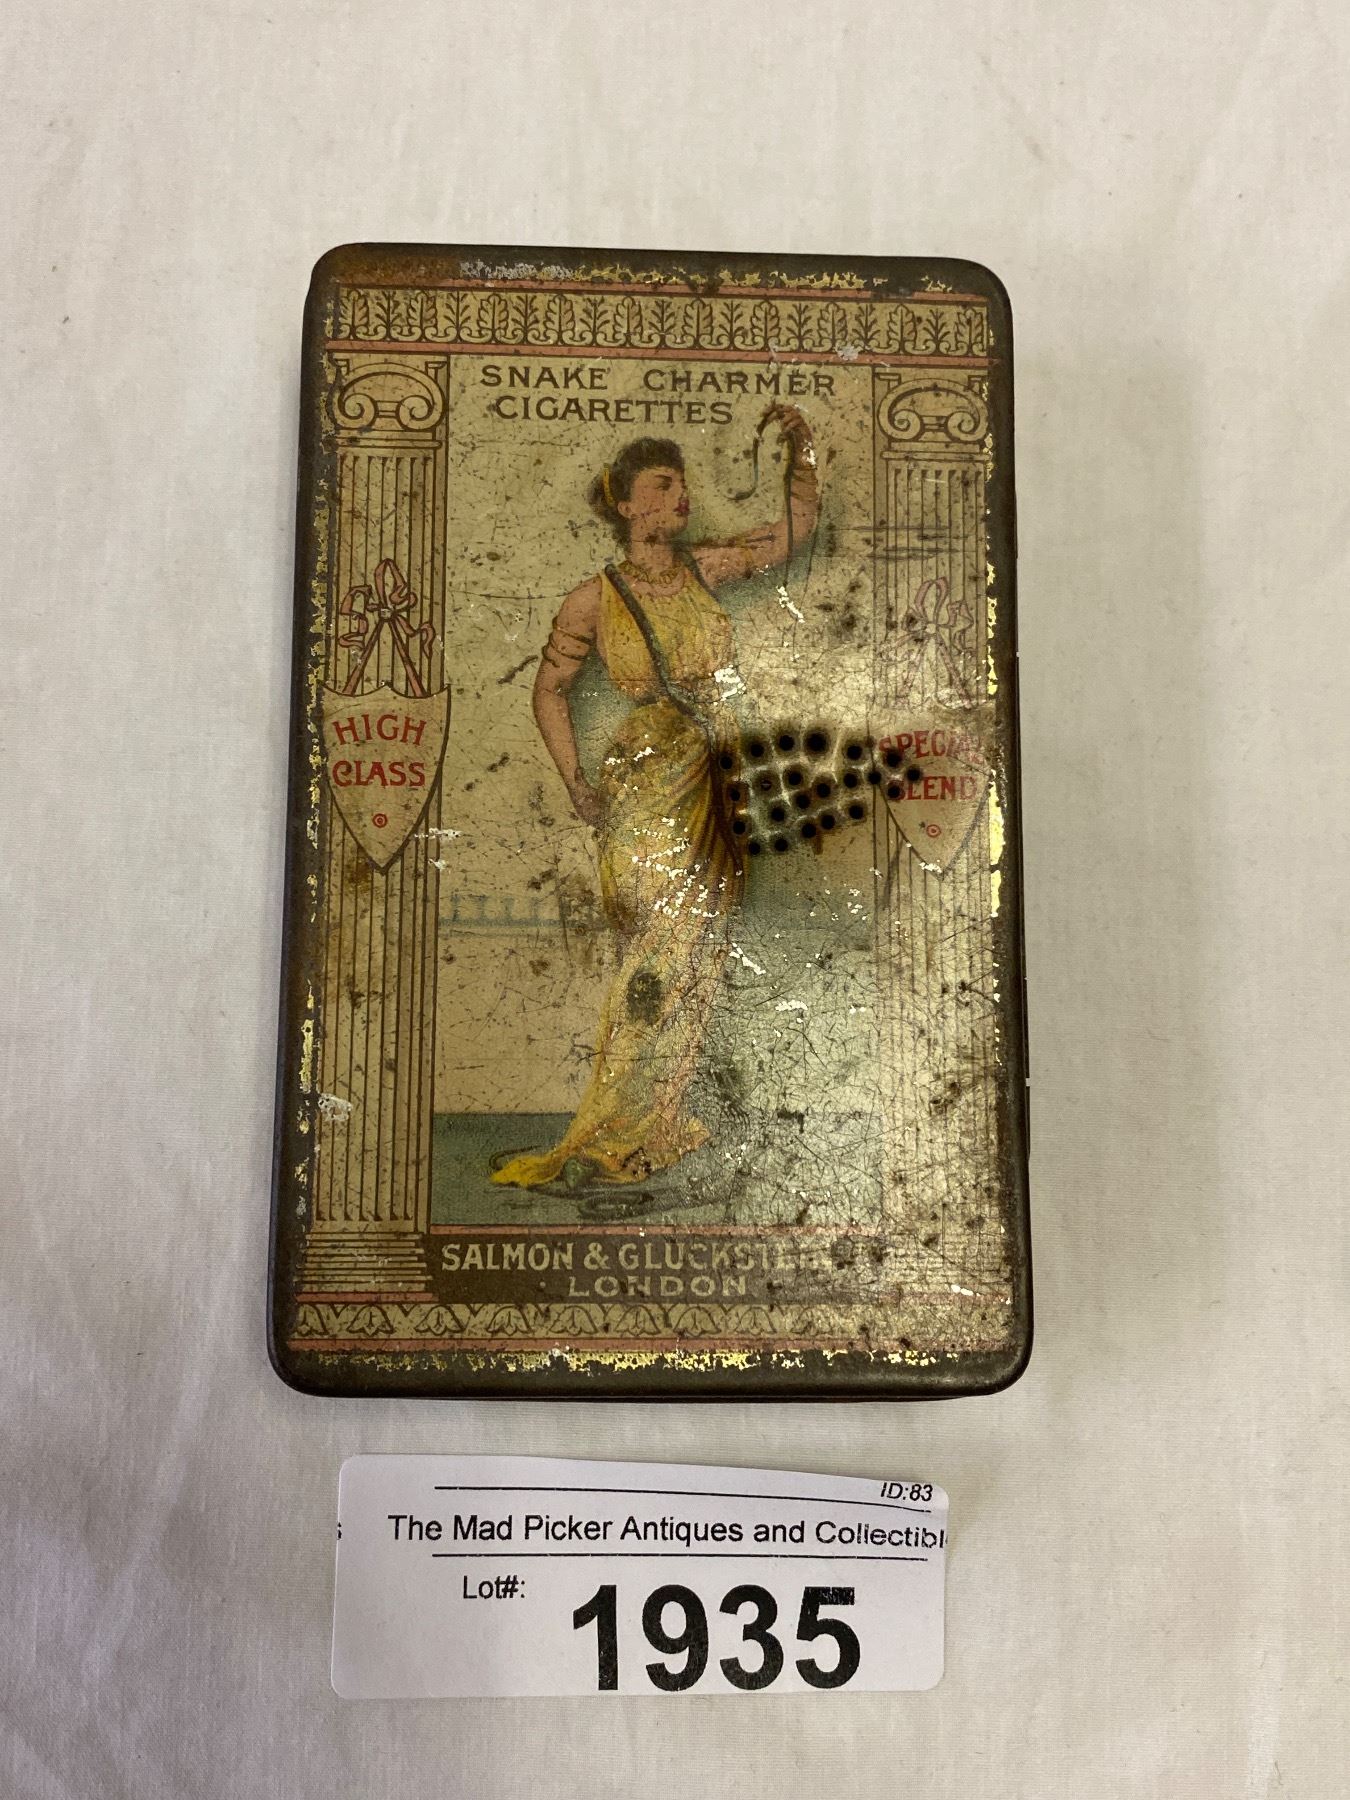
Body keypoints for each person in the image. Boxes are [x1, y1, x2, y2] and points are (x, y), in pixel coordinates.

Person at [490, 407, 819, 1191]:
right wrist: (575, 781)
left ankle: (652, 1124)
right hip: (647, 782)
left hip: (717, 778)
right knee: (656, 955)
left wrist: (801, 454)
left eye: (682, 485)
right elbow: (548, 690)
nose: (680, 497)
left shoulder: (705, 569)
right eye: (663, 486)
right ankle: (609, 1131)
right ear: (627, 503)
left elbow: (791, 535)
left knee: (698, 956)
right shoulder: (592, 600)